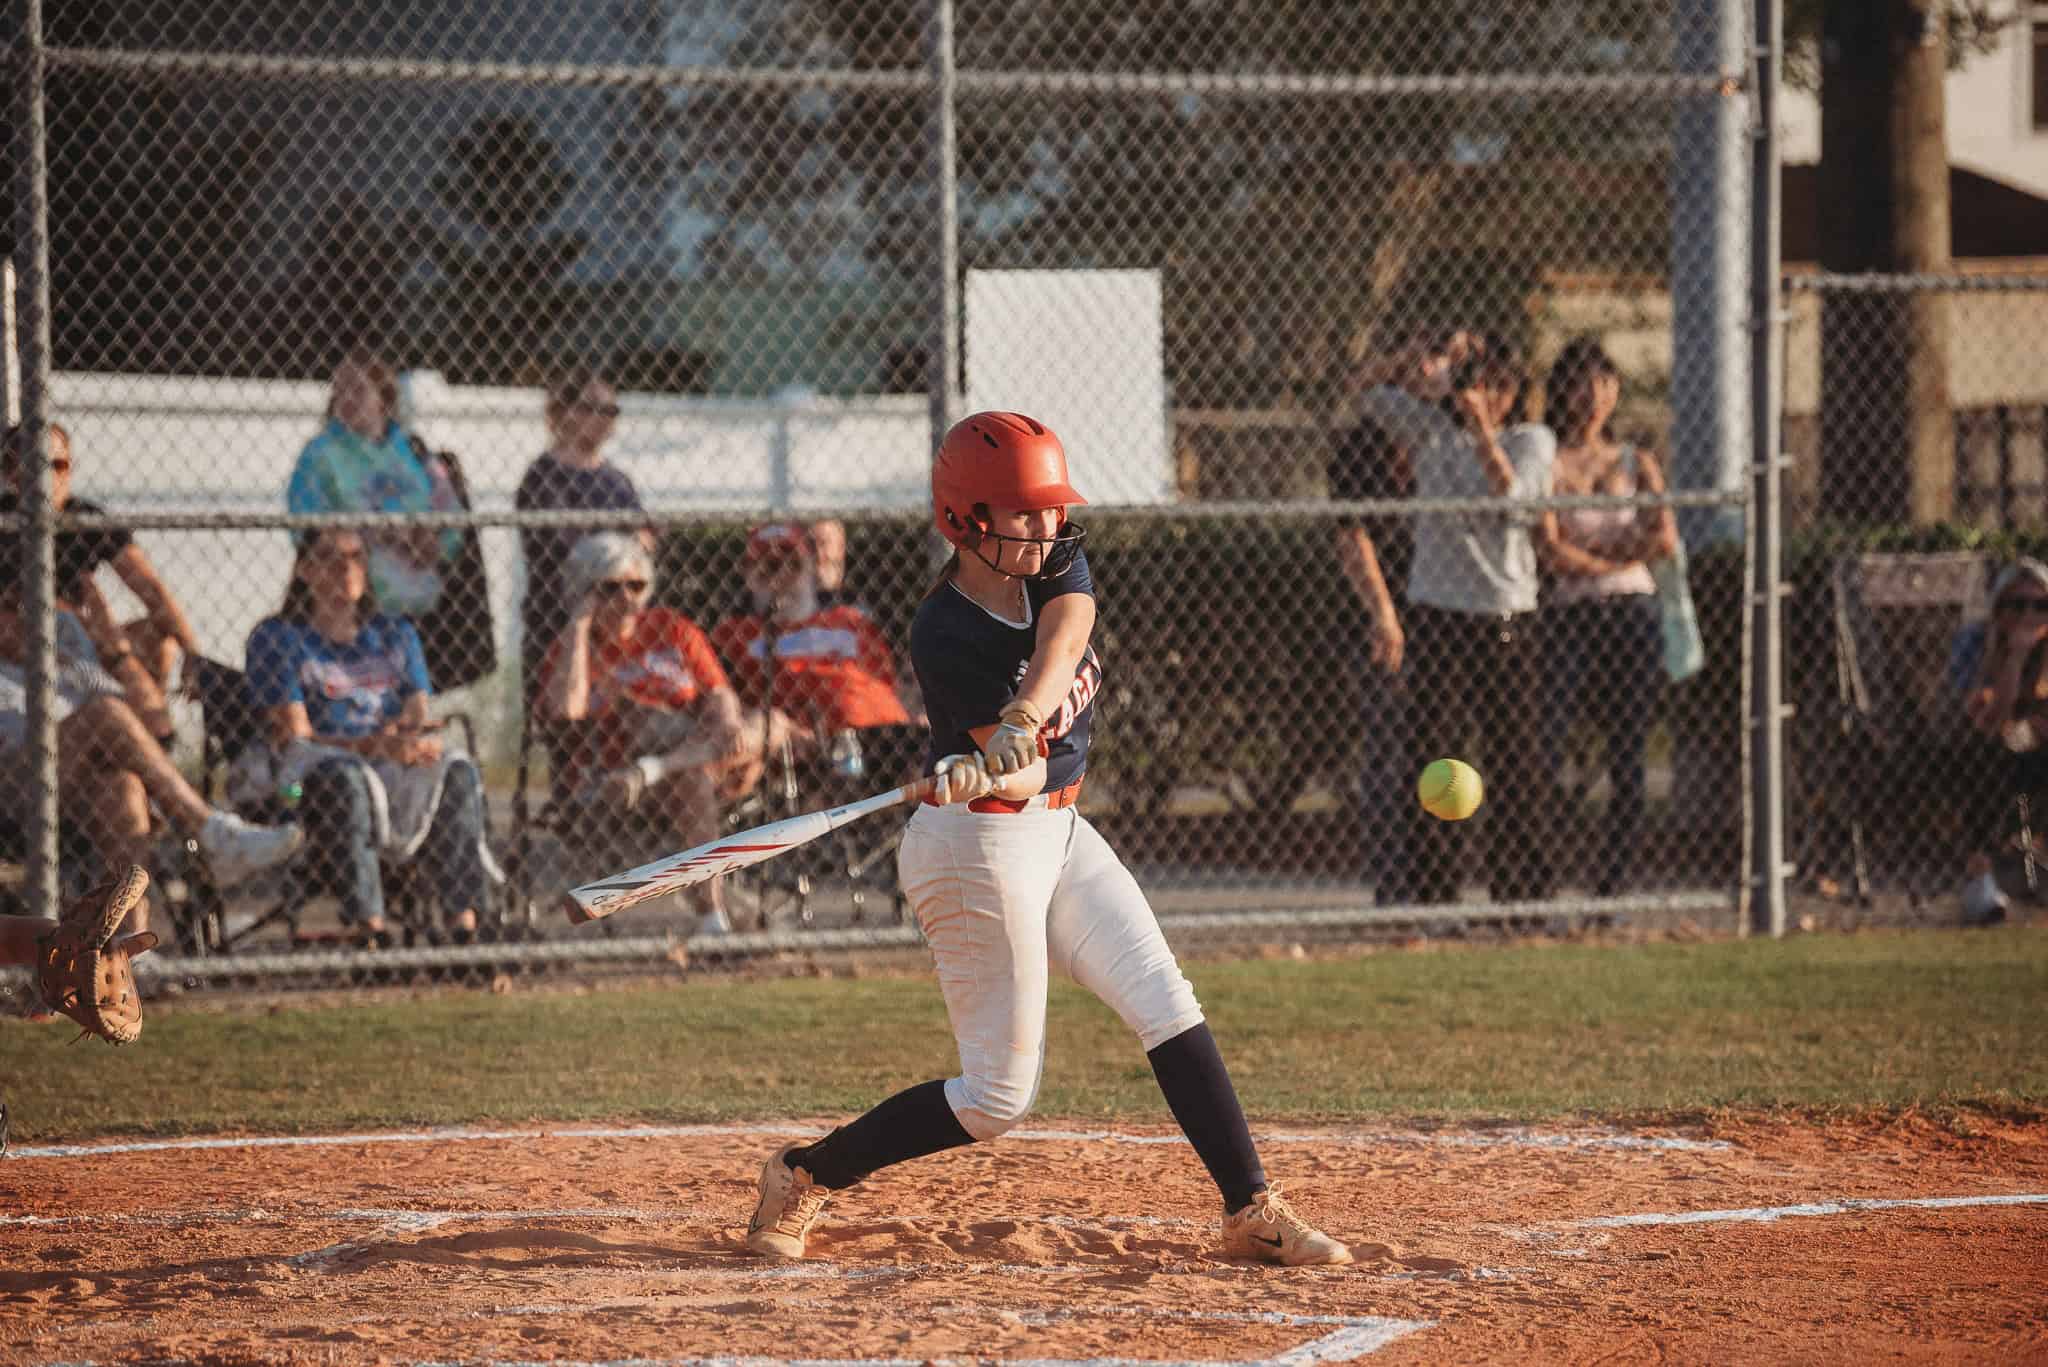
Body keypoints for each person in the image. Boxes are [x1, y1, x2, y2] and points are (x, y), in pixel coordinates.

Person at [741, 411, 1351, 1268]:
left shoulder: (1055, 554)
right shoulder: (942, 631)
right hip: (973, 846)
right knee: (996, 1096)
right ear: (965, 520)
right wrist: (993, 763)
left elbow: (1069, 632)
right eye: (1021, 514)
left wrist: (1023, 718)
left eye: (1048, 510)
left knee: (1165, 999)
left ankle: (1250, 1206)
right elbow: (1018, 776)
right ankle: (805, 1173)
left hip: (1058, 827)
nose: (1044, 527)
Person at [1356, 332, 1556, 904]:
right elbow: (1360, 391)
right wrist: (1415, 362)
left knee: (1516, 764)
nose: (1479, 395)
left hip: (1505, 618)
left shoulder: (1531, 440)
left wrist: (1482, 432)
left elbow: (1513, 501)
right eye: (1473, 384)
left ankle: (1522, 901)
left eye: (1493, 386)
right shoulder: (1431, 433)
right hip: (1439, 615)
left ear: (1511, 393)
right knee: (1434, 763)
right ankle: (1435, 900)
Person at [244, 529, 495, 945]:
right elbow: (294, 733)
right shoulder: (278, 637)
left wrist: (407, 740)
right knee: (346, 778)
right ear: (304, 569)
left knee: (456, 771)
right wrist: (371, 745)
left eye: (357, 557)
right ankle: (370, 931)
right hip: (308, 772)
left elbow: (416, 712)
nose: (346, 568)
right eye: (330, 557)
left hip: (386, 761)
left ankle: (464, 929)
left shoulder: (395, 633)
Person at [0, 598, 302, 935]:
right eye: (10, 608)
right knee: (104, 714)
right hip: (14, 787)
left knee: (123, 788)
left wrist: (61, 658)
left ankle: (128, 946)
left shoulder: (60, 632)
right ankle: (207, 829)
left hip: (74, 783)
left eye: (28, 607)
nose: (23, 618)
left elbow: (110, 694)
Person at [536, 532, 746, 934]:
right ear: (585, 592)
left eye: (636, 586)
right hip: (613, 776)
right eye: (610, 588)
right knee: (645, 721)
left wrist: (729, 721)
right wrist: (580, 626)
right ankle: (713, 920)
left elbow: (719, 694)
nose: (627, 599)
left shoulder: (673, 628)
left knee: (738, 733)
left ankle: (713, 918)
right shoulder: (571, 648)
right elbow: (565, 711)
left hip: (694, 759)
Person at [1535, 337, 1676, 897]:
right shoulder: (1546, 460)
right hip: (1570, 616)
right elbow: (1549, 547)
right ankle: (1537, 883)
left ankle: (1610, 890)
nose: (1594, 397)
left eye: (1606, 384)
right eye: (1582, 384)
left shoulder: (1636, 462)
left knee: (1628, 755)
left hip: (1632, 614)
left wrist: (1595, 560)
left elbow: (1662, 537)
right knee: (1542, 747)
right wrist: (1612, 554)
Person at [709, 522, 918, 795]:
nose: (782, 575)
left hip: (887, 734)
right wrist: (789, 729)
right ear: (749, 574)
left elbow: (890, 684)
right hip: (811, 744)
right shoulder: (736, 633)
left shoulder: (851, 620)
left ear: (810, 567)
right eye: (769, 566)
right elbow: (728, 699)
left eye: (793, 563)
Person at [0, 423, 203, 691]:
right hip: (23, 644)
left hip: (86, 635)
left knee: (159, 639)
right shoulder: (5, 522)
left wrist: (192, 652)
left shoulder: (87, 519)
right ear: (11, 472)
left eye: (58, 465)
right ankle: (147, 726)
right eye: (36, 466)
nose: (49, 478)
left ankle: (142, 722)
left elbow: (149, 586)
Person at [285, 348, 461, 619]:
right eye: (340, 390)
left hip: (426, 606)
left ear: (383, 397)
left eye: (357, 389)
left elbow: (450, 510)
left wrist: (433, 543)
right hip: (355, 605)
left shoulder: (411, 449)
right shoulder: (321, 453)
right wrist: (367, 536)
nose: (347, 398)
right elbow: (304, 525)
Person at [515, 372, 647, 699]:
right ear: (563, 411)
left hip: (618, 622)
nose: (604, 419)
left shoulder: (617, 480)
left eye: (611, 410)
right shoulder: (543, 476)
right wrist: (619, 550)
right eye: (593, 408)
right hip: (559, 616)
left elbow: (643, 542)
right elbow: (562, 547)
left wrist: (619, 551)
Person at [1951, 557, 2048, 924]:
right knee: (1986, 757)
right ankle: (1980, 879)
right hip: (1980, 752)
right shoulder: (1975, 641)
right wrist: (2016, 657)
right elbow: (1988, 721)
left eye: (2041, 605)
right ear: (1998, 607)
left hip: (2038, 748)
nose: (2029, 614)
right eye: (2017, 604)